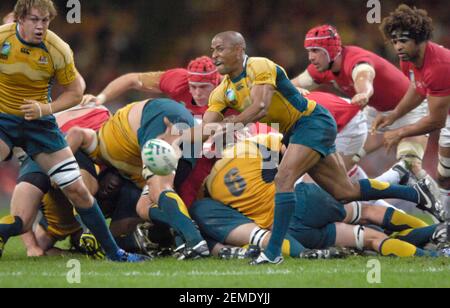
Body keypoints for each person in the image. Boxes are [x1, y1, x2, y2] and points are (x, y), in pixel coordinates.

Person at [204, 31, 441, 265]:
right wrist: (185, 138)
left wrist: (231, 124)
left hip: (313, 120)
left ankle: (273, 252)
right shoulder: (222, 91)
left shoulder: (259, 66)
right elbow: (207, 125)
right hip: (296, 130)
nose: (214, 55)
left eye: (220, 48)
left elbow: (261, 107)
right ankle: (414, 193)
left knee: (284, 179)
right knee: (344, 191)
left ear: (239, 49)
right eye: (212, 49)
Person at [0, 0, 147, 262]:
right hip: (4, 120)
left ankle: (115, 253)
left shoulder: (58, 49)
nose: (40, 26)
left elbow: (75, 92)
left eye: (45, 21)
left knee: (78, 191)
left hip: (40, 126)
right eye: (34, 20)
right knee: (22, 215)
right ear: (20, 19)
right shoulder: (2, 39)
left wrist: (45, 109)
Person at [190, 132, 449, 258]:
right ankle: (436, 227)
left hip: (286, 230)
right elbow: (298, 146)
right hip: (303, 201)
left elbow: (233, 218)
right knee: (368, 210)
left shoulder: (212, 187)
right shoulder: (252, 145)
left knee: (369, 239)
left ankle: (434, 257)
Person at [66, 98, 210, 259]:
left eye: (104, 192)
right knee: (144, 206)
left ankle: (195, 241)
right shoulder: (136, 174)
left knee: (159, 188)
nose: (109, 190)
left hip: (160, 116)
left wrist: (61, 170)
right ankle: (185, 228)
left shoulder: (100, 147)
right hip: (182, 136)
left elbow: (75, 133)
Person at [291, 25, 432, 187]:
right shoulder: (321, 68)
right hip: (378, 112)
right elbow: (290, 87)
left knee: (411, 167)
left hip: (412, 109)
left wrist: (364, 93)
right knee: (338, 165)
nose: (310, 57)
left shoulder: (355, 60)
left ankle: (436, 203)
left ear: (330, 51)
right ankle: (356, 200)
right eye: (309, 51)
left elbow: (364, 77)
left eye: (315, 51)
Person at [374, 4, 450, 235]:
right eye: (395, 40)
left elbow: (436, 120)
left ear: (420, 39)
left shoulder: (439, 66)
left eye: (404, 40)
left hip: (445, 116)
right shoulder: (408, 59)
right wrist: (394, 115)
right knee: (444, 177)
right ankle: (446, 229)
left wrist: (400, 132)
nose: (398, 46)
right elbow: (418, 90)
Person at [81, 56, 222, 117]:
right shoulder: (179, 80)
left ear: (215, 84)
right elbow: (132, 79)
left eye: (203, 87)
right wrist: (101, 98)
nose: (197, 93)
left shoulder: (232, 91)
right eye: (193, 87)